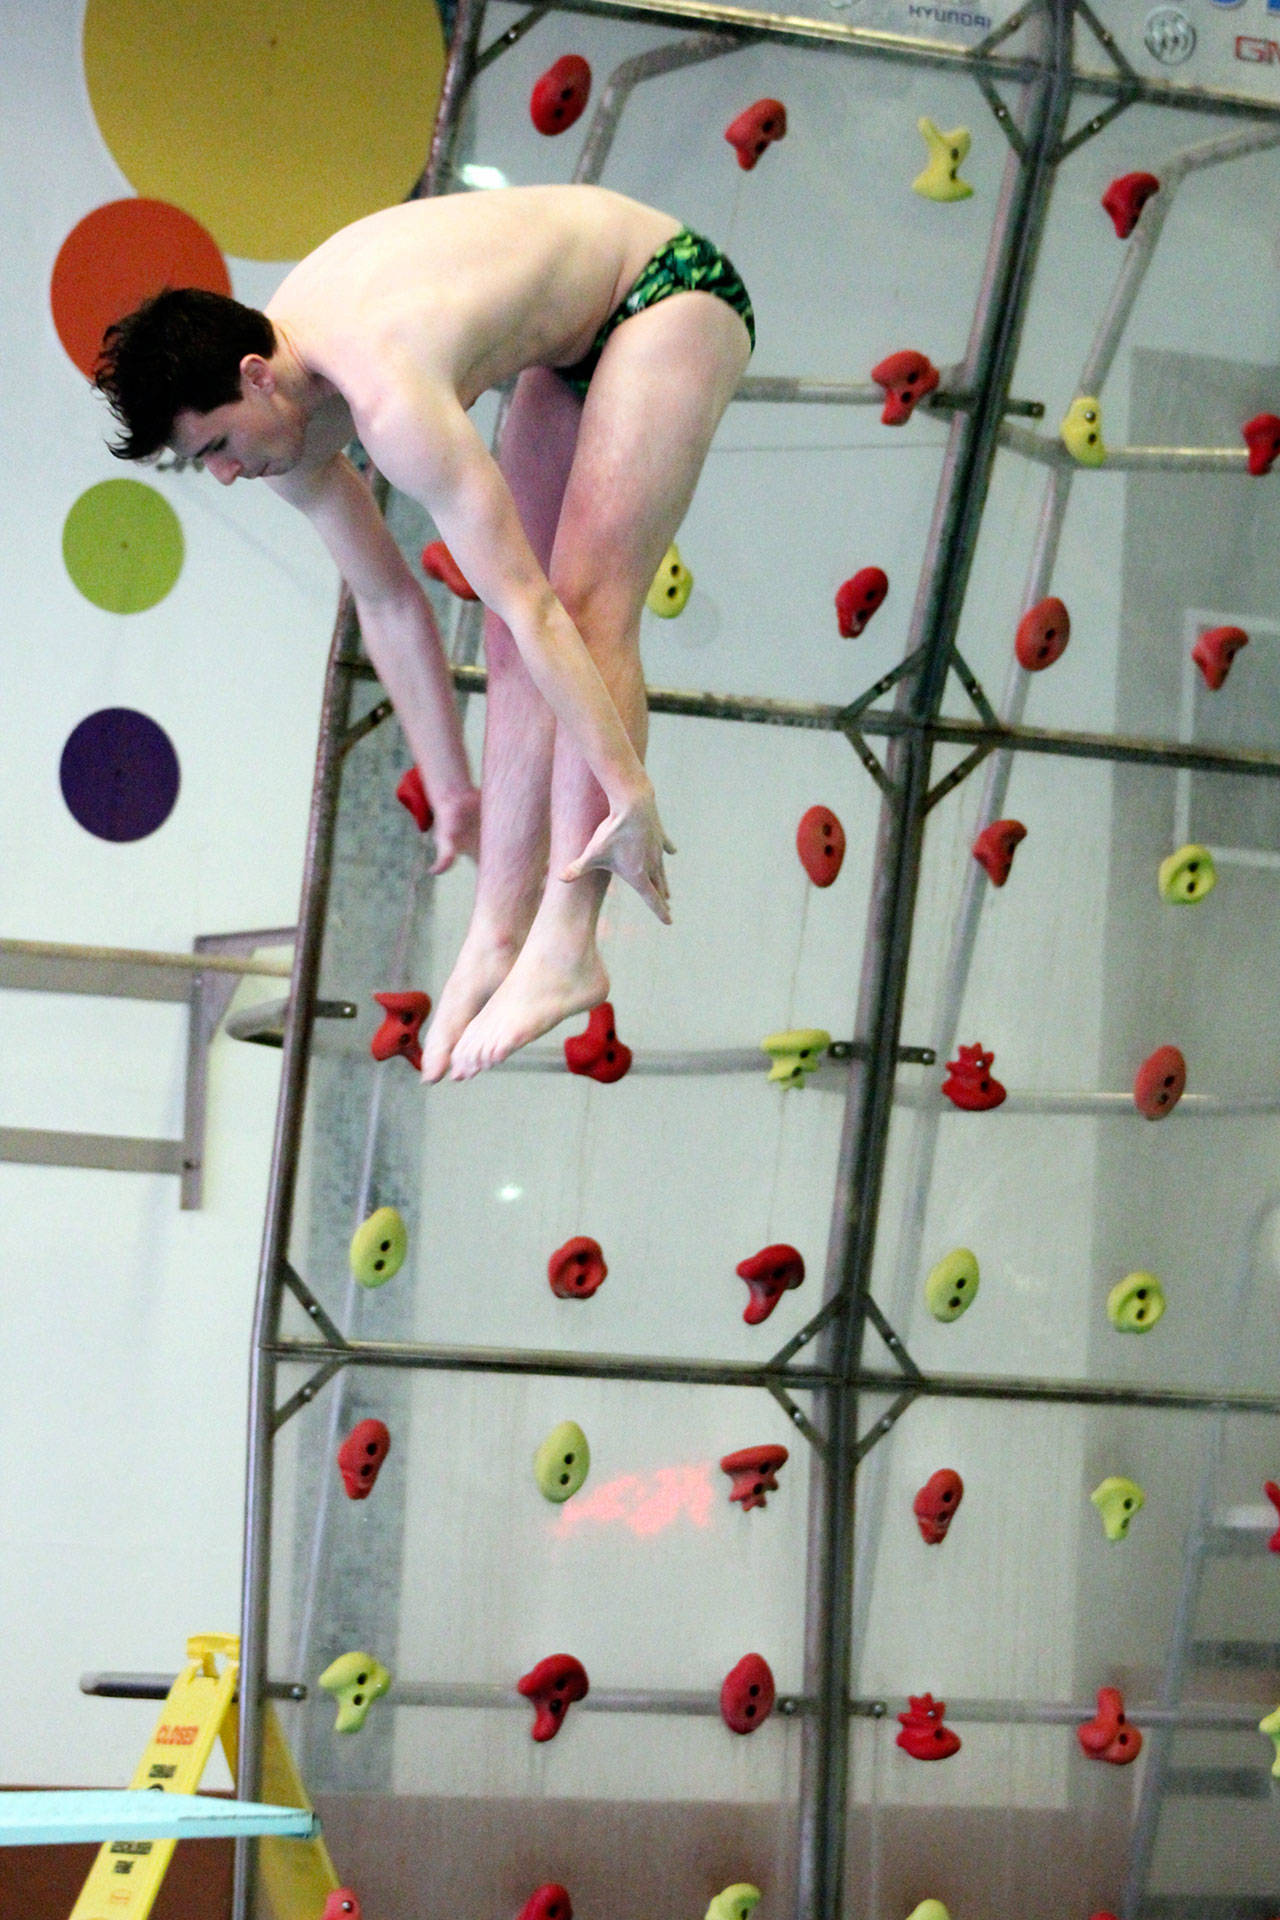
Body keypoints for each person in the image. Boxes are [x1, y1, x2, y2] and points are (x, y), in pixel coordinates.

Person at [94, 184, 754, 1079]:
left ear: (255, 375)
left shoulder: (385, 389)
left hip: (667, 291)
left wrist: (628, 789)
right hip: (571, 344)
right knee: (511, 646)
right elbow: (390, 603)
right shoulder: (284, 434)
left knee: (585, 606)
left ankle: (568, 944)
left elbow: (536, 603)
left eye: (214, 447)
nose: (223, 475)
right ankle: (498, 930)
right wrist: (453, 790)